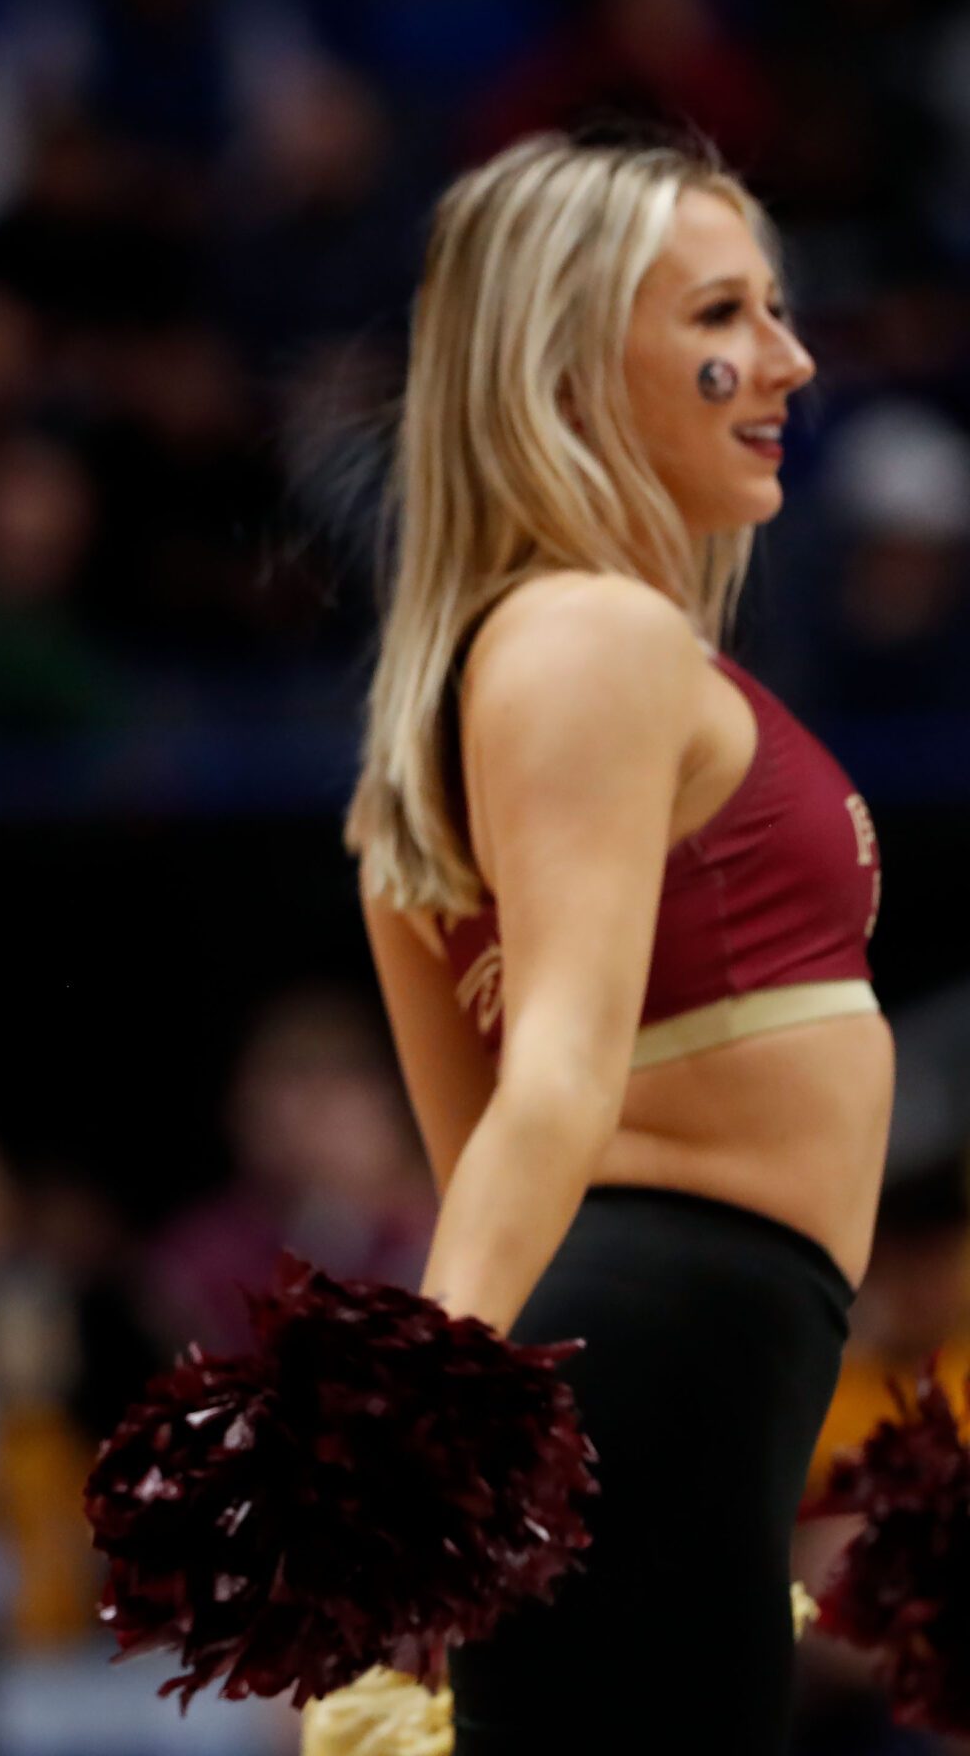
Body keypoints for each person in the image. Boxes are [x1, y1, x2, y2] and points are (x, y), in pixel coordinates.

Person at [345, 129, 884, 1751]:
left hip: (671, 1368)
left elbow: (484, 1142)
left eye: (778, 309)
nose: (788, 357)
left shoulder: (481, 691)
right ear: (569, 362)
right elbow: (557, 1080)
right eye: (726, 314)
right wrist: (416, 1435)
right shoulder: (596, 635)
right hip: (666, 1353)